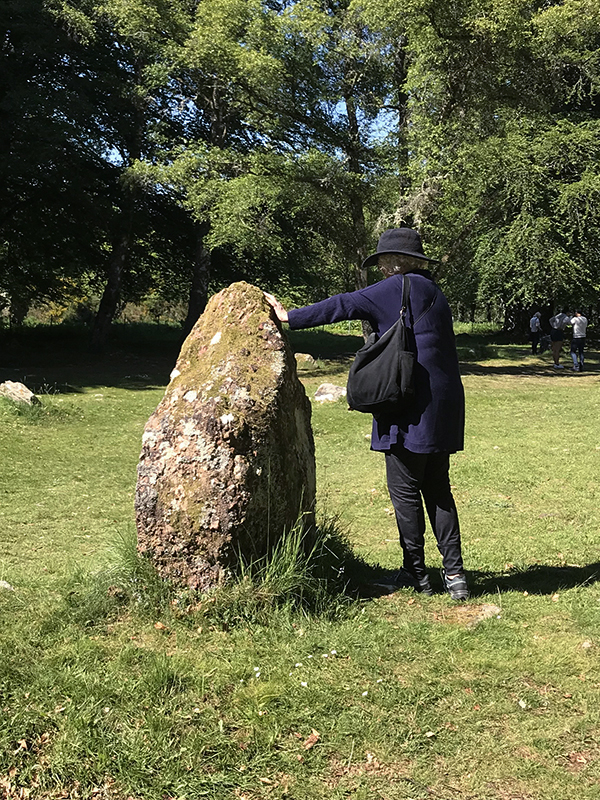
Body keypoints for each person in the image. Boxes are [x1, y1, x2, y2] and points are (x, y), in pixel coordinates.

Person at [264, 228, 468, 601]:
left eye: (383, 262)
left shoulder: (396, 287)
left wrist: (288, 316)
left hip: (407, 404)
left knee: (405, 490)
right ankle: (456, 577)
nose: (382, 269)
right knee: (438, 489)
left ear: (393, 262)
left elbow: (344, 303)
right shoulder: (435, 292)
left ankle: (416, 573)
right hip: (444, 405)